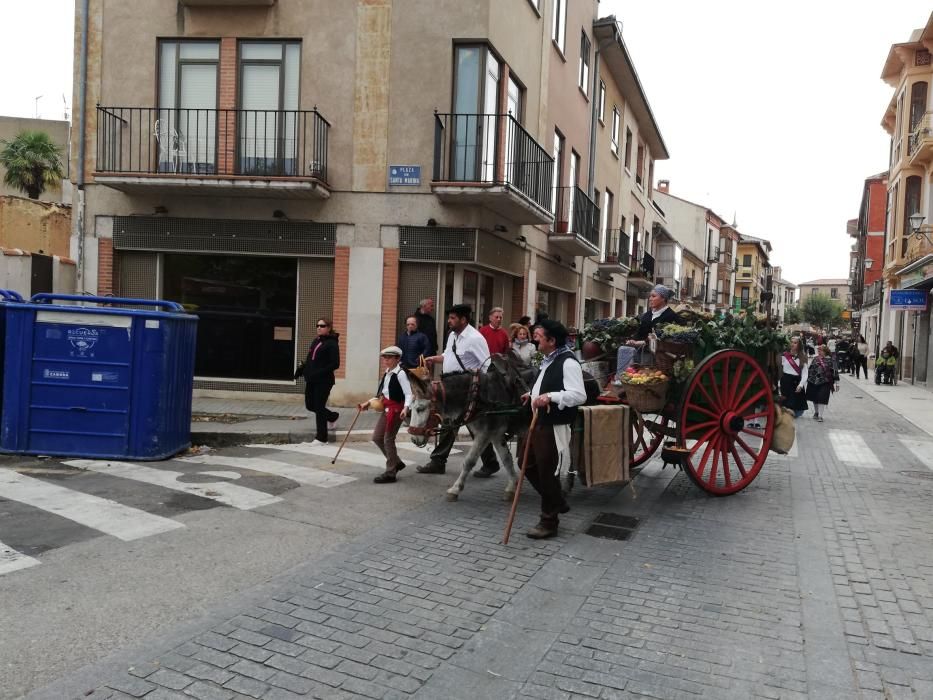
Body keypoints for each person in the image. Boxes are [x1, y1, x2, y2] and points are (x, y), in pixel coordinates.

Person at [519, 320, 587, 539]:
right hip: (537, 420)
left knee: (547, 473)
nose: (534, 338)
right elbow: (546, 384)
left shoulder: (568, 362)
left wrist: (551, 397)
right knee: (524, 463)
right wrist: (532, 395)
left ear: (551, 340)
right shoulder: (548, 359)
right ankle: (558, 501)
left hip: (551, 425)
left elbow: (578, 395)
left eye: (539, 335)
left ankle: (549, 521)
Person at [416, 304, 500, 476]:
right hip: (451, 388)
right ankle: (489, 462)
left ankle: (439, 461)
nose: (449, 321)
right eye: (449, 317)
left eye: (453, 318)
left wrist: (479, 388)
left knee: (458, 424)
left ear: (463, 319)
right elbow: (449, 355)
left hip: (467, 392)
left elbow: (487, 364)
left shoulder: (475, 338)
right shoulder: (452, 335)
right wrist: (435, 359)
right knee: (462, 425)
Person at [359, 346, 413, 484]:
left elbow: (408, 393)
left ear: (397, 358)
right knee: (377, 437)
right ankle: (396, 462)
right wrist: (369, 402)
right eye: (384, 357)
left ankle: (391, 472)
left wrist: (406, 408)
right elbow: (382, 394)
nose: (386, 360)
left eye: (389, 357)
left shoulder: (400, 373)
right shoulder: (387, 372)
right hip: (387, 408)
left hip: (397, 410)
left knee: (388, 439)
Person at [298, 318, 340, 444]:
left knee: (319, 406)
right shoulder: (316, 340)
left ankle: (322, 438)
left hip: (324, 381)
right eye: (317, 325)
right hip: (312, 379)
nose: (319, 327)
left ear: (329, 328)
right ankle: (332, 416)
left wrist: (318, 372)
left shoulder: (332, 343)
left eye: (322, 325)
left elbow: (335, 364)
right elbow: (311, 358)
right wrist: (302, 368)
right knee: (310, 405)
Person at [626, 284, 679, 350]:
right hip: (641, 351)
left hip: (659, 355)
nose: (650, 299)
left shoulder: (671, 316)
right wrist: (633, 340)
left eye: (653, 296)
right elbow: (640, 332)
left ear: (663, 298)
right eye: (650, 296)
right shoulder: (647, 315)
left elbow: (664, 338)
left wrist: (640, 343)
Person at [805, 344, 838, 422]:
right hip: (813, 381)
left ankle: (820, 416)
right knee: (815, 398)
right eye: (818, 351)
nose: (819, 352)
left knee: (822, 398)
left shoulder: (832, 360)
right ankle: (816, 412)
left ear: (825, 351)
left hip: (825, 382)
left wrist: (837, 382)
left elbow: (835, 371)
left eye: (821, 351)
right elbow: (810, 369)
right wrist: (807, 379)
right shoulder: (815, 359)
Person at [780, 337, 809, 418]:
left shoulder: (803, 357)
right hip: (786, 382)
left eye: (795, 343)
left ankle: (792, 427)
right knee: (785, 407)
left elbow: (805, 374)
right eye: (792, 342)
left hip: (796, 383)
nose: (793, 344)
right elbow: (781, 370)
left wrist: (801, 385)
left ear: (799, 345)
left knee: (796, 409)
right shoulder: (784, 355)